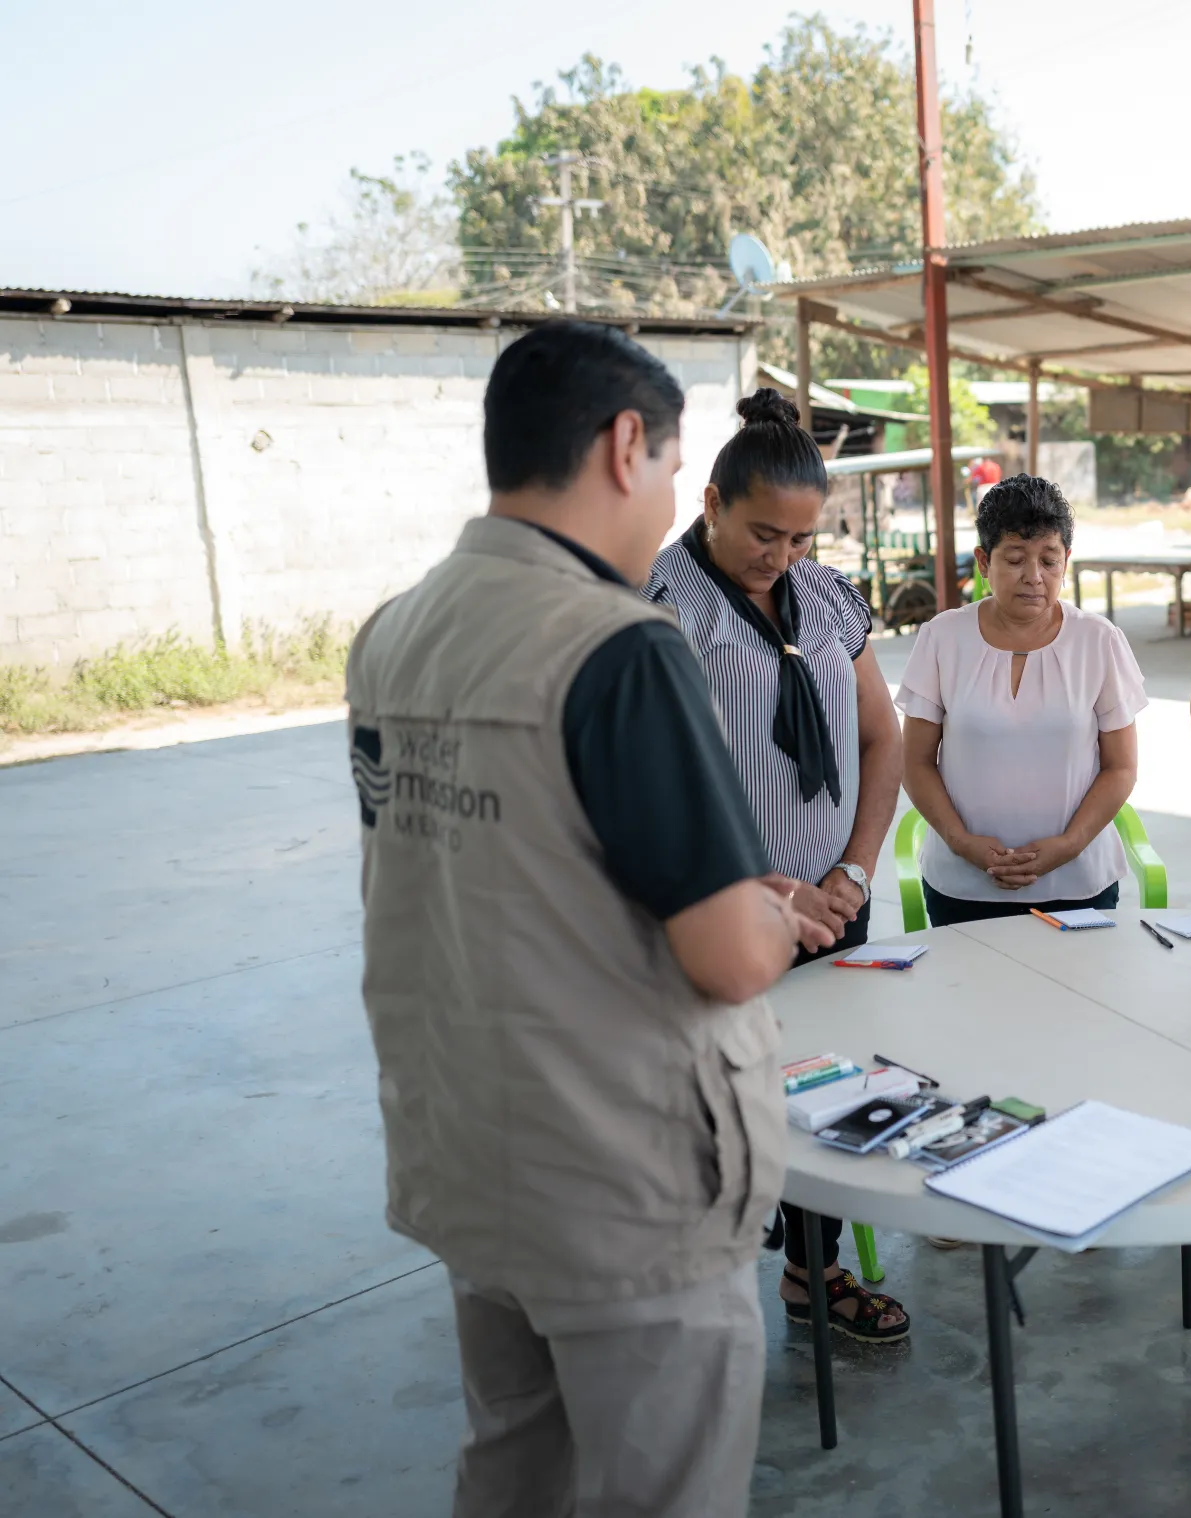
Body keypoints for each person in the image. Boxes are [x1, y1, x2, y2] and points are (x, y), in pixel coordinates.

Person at [346, 320, 838, 1518]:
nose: (668, 496)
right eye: (674, 470)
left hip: (472, 1152)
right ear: (629, 445)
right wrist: (778, 915)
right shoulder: (616, 645)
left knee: (515, 1469)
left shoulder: (395, 634)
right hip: (623, 1184)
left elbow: (504, 866)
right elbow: (726, 957)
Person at [645, 389, 912, 1345]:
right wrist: (765, 890)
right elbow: (655, 785)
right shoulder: (665, 606)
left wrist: (855, 870)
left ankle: (814, 1272)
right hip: (720, 915)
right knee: (713, 1110)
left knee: (830, 1089)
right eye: (764, 534)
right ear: (711, 502)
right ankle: (693, 1302)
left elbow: (883, 740)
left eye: (800, 539)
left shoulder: (831, 597)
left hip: (834, 909)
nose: (781, 559)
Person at [898, 473, 1147, 926]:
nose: (1034, 577)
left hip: (1078, 883)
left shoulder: (1099, 641)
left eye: (1050, 561)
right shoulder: (942, 638)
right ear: (982, 561)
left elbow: (1121, 767)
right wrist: (960, 842)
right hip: (963, 885)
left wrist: (1070, 844)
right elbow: (915, 762)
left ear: (1066, 561)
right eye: (1014, 559)